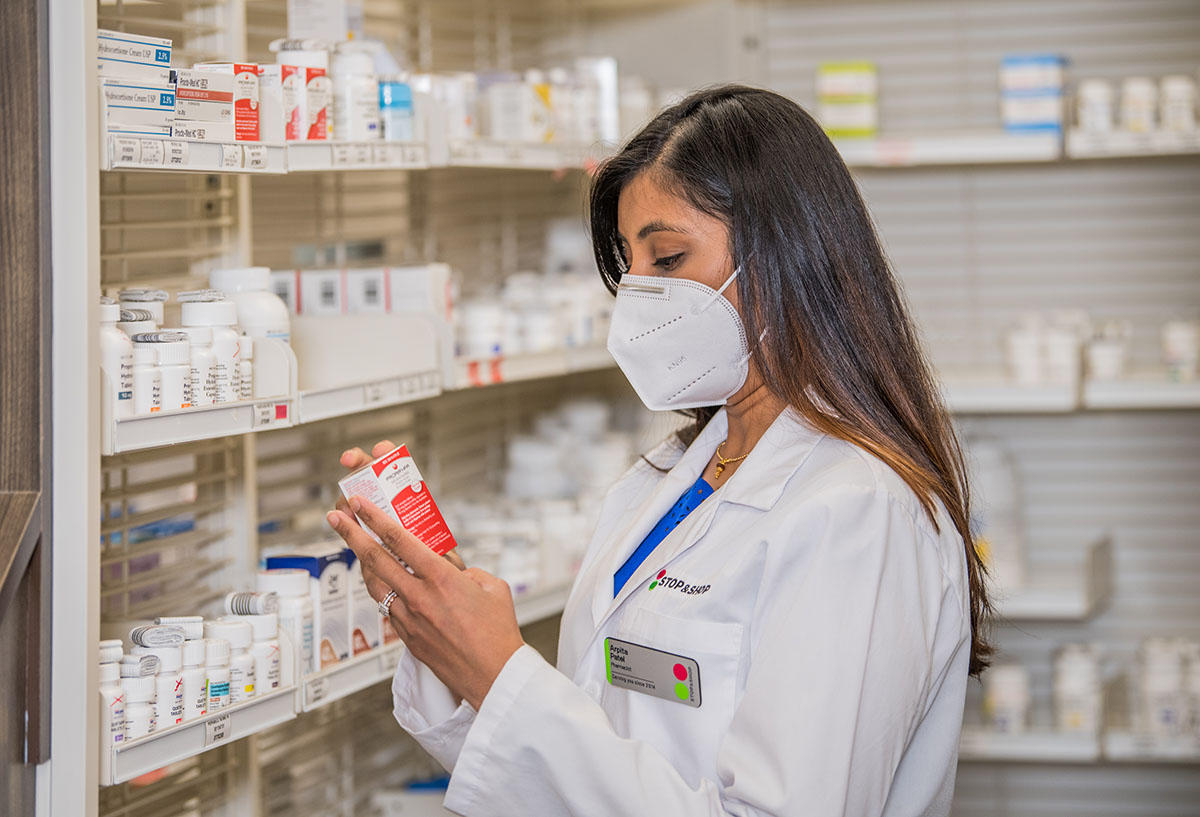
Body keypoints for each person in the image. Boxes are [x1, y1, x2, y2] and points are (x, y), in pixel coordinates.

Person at [325, 84, 992, 817]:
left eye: (667, 257)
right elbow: (586, 759)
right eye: (629, 264)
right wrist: (450, 632)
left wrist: (500, 673)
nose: (637, 294)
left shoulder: (860, 512)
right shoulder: (665, 479)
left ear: (786, 256)